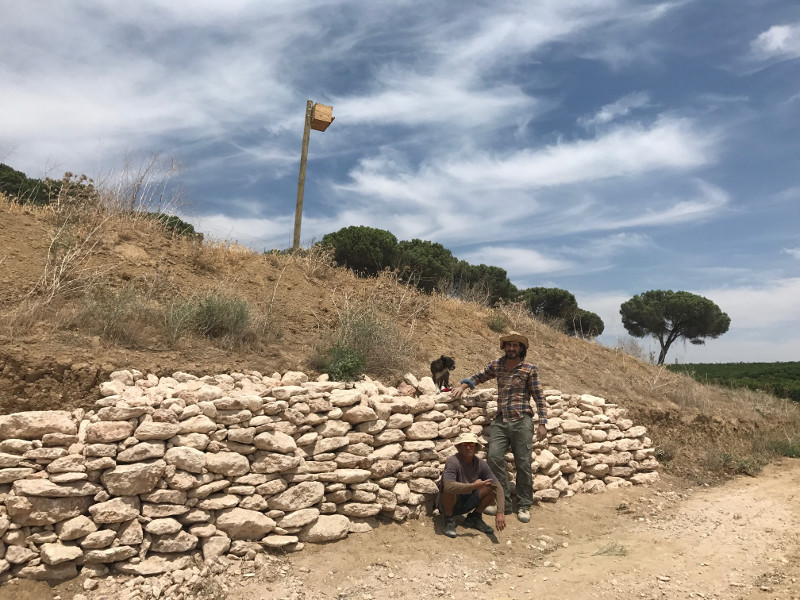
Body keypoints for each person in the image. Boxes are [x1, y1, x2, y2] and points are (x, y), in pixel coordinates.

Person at [450, 331, 547, 524]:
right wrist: (462, 386)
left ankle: (525, 504)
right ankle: (505, 503)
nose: (512, 348)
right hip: (501, 421)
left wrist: (543, 422)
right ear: (504, 347)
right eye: (508, 345)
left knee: (523, 464)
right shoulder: (497, 365)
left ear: (521, 348)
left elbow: (538, 396)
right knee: (493, 458)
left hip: (522, 421)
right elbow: (479, 377)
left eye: (515, 345)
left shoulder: (529, 369)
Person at [436, 432, 506, 538]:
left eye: (472, 444)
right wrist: (472, 486)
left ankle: (475, 518)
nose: (468, 447)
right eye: (464, 444)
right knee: (450, 489)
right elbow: (448, 486)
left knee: (490, 488)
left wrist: (500, 512)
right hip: (449, 503)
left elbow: (498, 487)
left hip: (467, 501)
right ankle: (449, 519)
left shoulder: (480, 464)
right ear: (459, 447)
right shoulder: (453, 462)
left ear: (476, 447)